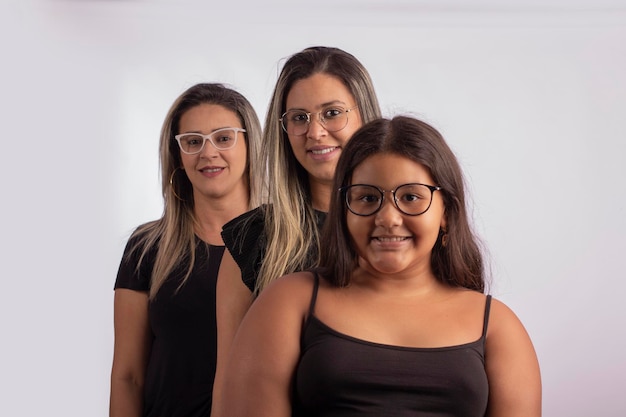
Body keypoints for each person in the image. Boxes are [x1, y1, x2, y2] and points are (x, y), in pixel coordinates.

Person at [218, 115, 542, 417]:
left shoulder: (498, 326)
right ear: (343, 210)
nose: (387, 218)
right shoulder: (290, 301)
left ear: (446, 212)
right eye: (368, 198)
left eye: (412, 197)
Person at [109, 83, 263, 417]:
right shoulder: (147, 247)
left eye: (224, 138)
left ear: (251, 145)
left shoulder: (285, 243)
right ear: (178, 156)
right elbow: (127, 377)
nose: (208, 153)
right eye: (193, 142)